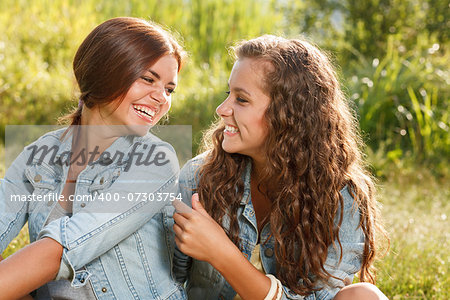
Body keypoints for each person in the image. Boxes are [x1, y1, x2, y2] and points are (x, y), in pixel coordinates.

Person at [172, 35, 389, 299]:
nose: (222, 109)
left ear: (288, 115)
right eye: (229, 94)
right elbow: (168, 279)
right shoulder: (199, 177)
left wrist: (221, 253)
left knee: (365, 296)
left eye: (241, 99)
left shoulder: (341, 197)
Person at [0, 17, 187, 299]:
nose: (162, 97)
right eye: (148, 79)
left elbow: (64, 248)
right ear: (105, 72)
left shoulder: (156, 160)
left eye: (169, 89)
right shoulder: (39, 156)